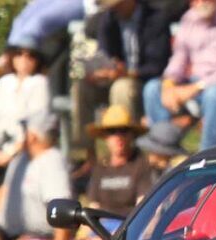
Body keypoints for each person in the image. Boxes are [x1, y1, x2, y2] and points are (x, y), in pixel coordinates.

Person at [71, 0, 173, 156]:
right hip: (116, 78)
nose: (113, 9)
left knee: (122, 88)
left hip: (145, 81)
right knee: (81, 88)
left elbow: (158, 65)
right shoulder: (109, 19)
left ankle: (128, 154)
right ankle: (88, 155)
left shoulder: (155, 18)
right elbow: (106, 54)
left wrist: (129, 72)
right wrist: (101, 72)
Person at [143, 0, 216, 149]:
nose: (200, 2)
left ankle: (208, 155)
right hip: (190, 81)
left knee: (213, 95)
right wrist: (169, 83)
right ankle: (162, 149)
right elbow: (179, 57)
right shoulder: (189, 18)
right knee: (152, 88)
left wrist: (195, 87)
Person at [0, 37, 51, 170]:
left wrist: (10, 153)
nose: (24, 59)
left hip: (24, 152)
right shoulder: (4, 82)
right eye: (19, 54)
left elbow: (35, 126)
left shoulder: (39, 83)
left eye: (31, 56)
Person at [86, 105, 153, 216]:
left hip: (128, 225)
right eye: (112, 131)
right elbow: (93, 205)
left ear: (132, 135)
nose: (118, 136)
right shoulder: (100, 168)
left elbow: (142, 207)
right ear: (105, 137)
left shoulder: (141, 165)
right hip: (101, 224)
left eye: (123, 131)